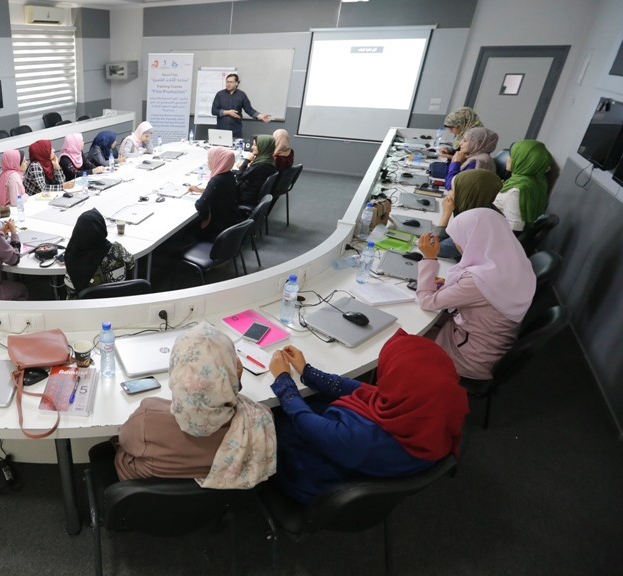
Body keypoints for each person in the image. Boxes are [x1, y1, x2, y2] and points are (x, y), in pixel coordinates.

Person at [267, 330, 468, 503]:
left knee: (274, 420)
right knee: (313, 403)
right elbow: (364, 390)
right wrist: (308, 371)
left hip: (314, 480)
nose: (381, 384)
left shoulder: (362, 438)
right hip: (359, 459)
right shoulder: (432, 411)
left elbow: (303, 420)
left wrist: (283, 379)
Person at [114, 323, 277, 489]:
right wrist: (235, 384)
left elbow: (124, 441)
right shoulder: (259, 421)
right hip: (221, 502)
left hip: (143, 497)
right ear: (231, 371)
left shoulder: (147, 420)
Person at [415, 209, 536, 381]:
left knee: (403, 340)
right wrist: (455, 285)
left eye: (460, 239)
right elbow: (479, 294)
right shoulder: (515, 263)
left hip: (469, 358)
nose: (457, 244)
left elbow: (427, 302)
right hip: (489, 347)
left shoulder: (479, 281)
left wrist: (429, 259)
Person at [63, 208, 135, 298]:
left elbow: (70, 291)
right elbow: (131, 263)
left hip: (86, 305)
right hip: (118, 301)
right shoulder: (116, 249)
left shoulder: (73, 258)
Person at [434, 170, 504, 260]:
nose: (448, 193)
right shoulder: (484, 207)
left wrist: (446, 214)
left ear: (466, 194)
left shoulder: (475, 224)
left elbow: (436, 249)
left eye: (452, 189)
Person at [494, 140, 557, 231]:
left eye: (512, 156)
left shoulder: (516, 191)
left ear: (524, 161)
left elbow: (514, 228)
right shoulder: (538, 180)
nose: (508, 158)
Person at [187, 147, 244, 242]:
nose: (207, 162)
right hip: (231, 219)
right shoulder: (230, 175)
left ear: (218, 161)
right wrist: (201, 190)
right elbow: (220, 191)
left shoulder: (216, 181)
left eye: (209, 159)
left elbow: (200, 205)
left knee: (187, 232)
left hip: (219, 228)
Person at [210, 73, 271, 139]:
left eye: (231, 82)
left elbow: (249, 110)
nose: (228, 84)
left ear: (236, 83)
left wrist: (260, 116)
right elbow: (214, 111)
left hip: (236, 130)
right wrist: (228, 112)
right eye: (227, 82)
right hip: (221, 130)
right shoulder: (220, 94)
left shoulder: (241, 95)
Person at [444, 127, 499, 191]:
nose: (460, 143)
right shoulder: (473, 157)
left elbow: (452, 187)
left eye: (465, 140)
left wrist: (455, 163)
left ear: (477, 143)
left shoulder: (479, 162)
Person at [235, 134, 278, 206]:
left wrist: (247, 160)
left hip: (245, 197)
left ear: (263, 146)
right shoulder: (269, 160)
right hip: (254, 194)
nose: (252, 147)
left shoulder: (260, 165)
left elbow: (239, 177)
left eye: (255, 145)